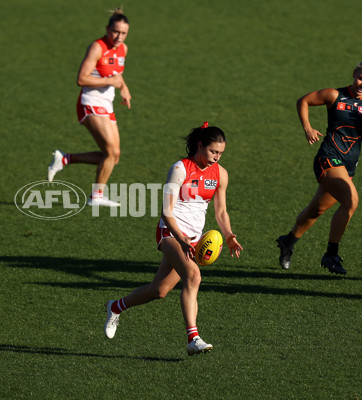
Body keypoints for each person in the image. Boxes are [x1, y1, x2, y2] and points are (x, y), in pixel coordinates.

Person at [103, 122, 243, 356]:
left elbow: (220, 211)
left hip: (194, 238)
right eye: (213, 152)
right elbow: (166, 211)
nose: (217, 157)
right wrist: (181, 238)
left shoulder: (220, 174)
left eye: (221, 153)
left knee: (159, 290)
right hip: (170, 232)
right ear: (200, 145)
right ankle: (193, 338)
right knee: (193, 275)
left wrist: (228, 235)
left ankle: (115, 306)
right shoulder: (180, 169)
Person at [277, 60, 362, 275]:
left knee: (316, 210)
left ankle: (287, 242)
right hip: (328, 158)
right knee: (351, 200)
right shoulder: (334, 95)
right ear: (354, 74)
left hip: (348, 167)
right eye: (360, 78)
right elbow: (304, 101)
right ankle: (331, 254)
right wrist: (307, 128)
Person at [47, 8, 131, 207]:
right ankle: (96, 197)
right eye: (116, 31)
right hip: (90, 103)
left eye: (124, 33)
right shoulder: (97, 47)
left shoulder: (123, 49)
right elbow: (81, 79)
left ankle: (65, 159)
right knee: (111, 153)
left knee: (114, 156)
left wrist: (124, 89)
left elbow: (117, 74)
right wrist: (110, 80)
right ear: (107, 28)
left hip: (107, 104)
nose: (119, 37)